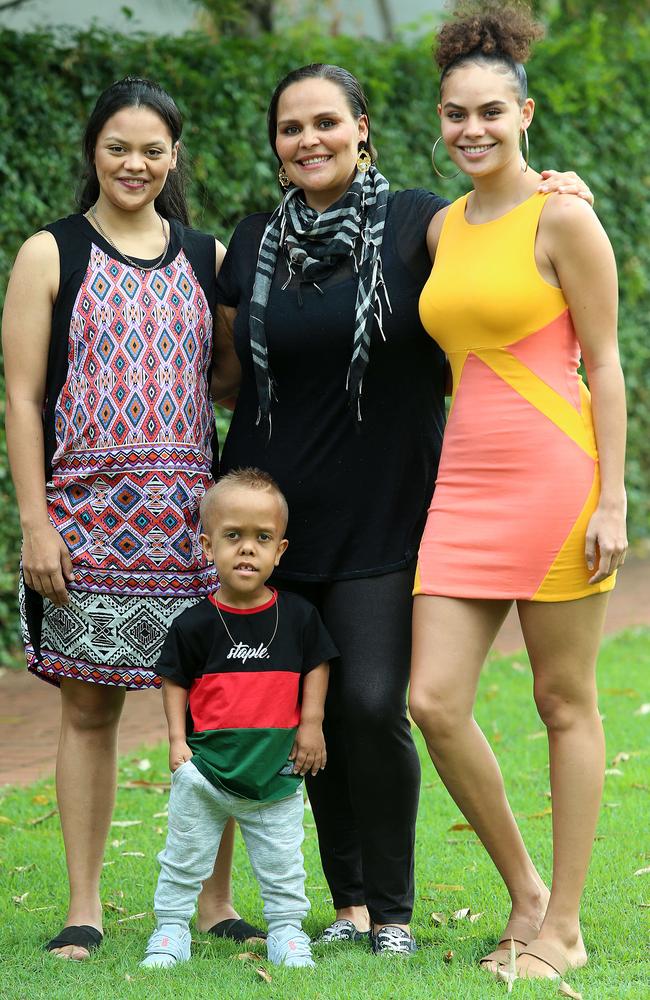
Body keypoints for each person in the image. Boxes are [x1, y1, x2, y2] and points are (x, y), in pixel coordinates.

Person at [213, 61, 593, 955]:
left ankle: (393, 909)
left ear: (363, 128)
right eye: (290, 127)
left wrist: (555, 184)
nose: (309, 140)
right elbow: (230, 376)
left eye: (326, 123)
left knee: (374, 701)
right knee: (307, 706)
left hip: (392, 505)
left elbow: (499, 220)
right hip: (276, 518)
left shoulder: (418, 218)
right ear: (274, 144)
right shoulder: (255, 238)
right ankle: (350, 906)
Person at [1, 77, 249, 959]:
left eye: (152, 149)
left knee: (215, 709)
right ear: (92, 153)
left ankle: (217, 901)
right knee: (88, 712)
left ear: (174, 155)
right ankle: (85, 905)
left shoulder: (206, 256)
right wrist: (37, 522)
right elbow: (23, 400)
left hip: (192, 527)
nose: (135, 163)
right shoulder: (47, 254)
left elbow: (226, 379)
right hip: (87, 522)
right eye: (118, 147)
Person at [409, 1, 627, 982]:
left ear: (524, 113)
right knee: (433, 699)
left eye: (490, 113)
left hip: (553, 483)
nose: (471, 130)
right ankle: (525, 894)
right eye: (456, 114)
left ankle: (564, 927)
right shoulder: (440, 228)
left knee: (560, 699)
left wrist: (612, 500)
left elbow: (608, 363)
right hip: (460, 489)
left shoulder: (564, 215)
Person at [140, 468, 336, 969]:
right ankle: (169, 931)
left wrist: (311, 725)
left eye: (261, 538)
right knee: (183, 858)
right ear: (207, 547)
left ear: (280, 551)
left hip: (275, 774)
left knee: (283, 865)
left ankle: (288, 932)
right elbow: (175, 681)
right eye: (233, 537)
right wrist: (176, 743)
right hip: (205, 771)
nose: (247, 549)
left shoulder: (297, 617)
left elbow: (317, 665)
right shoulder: (194, 624)